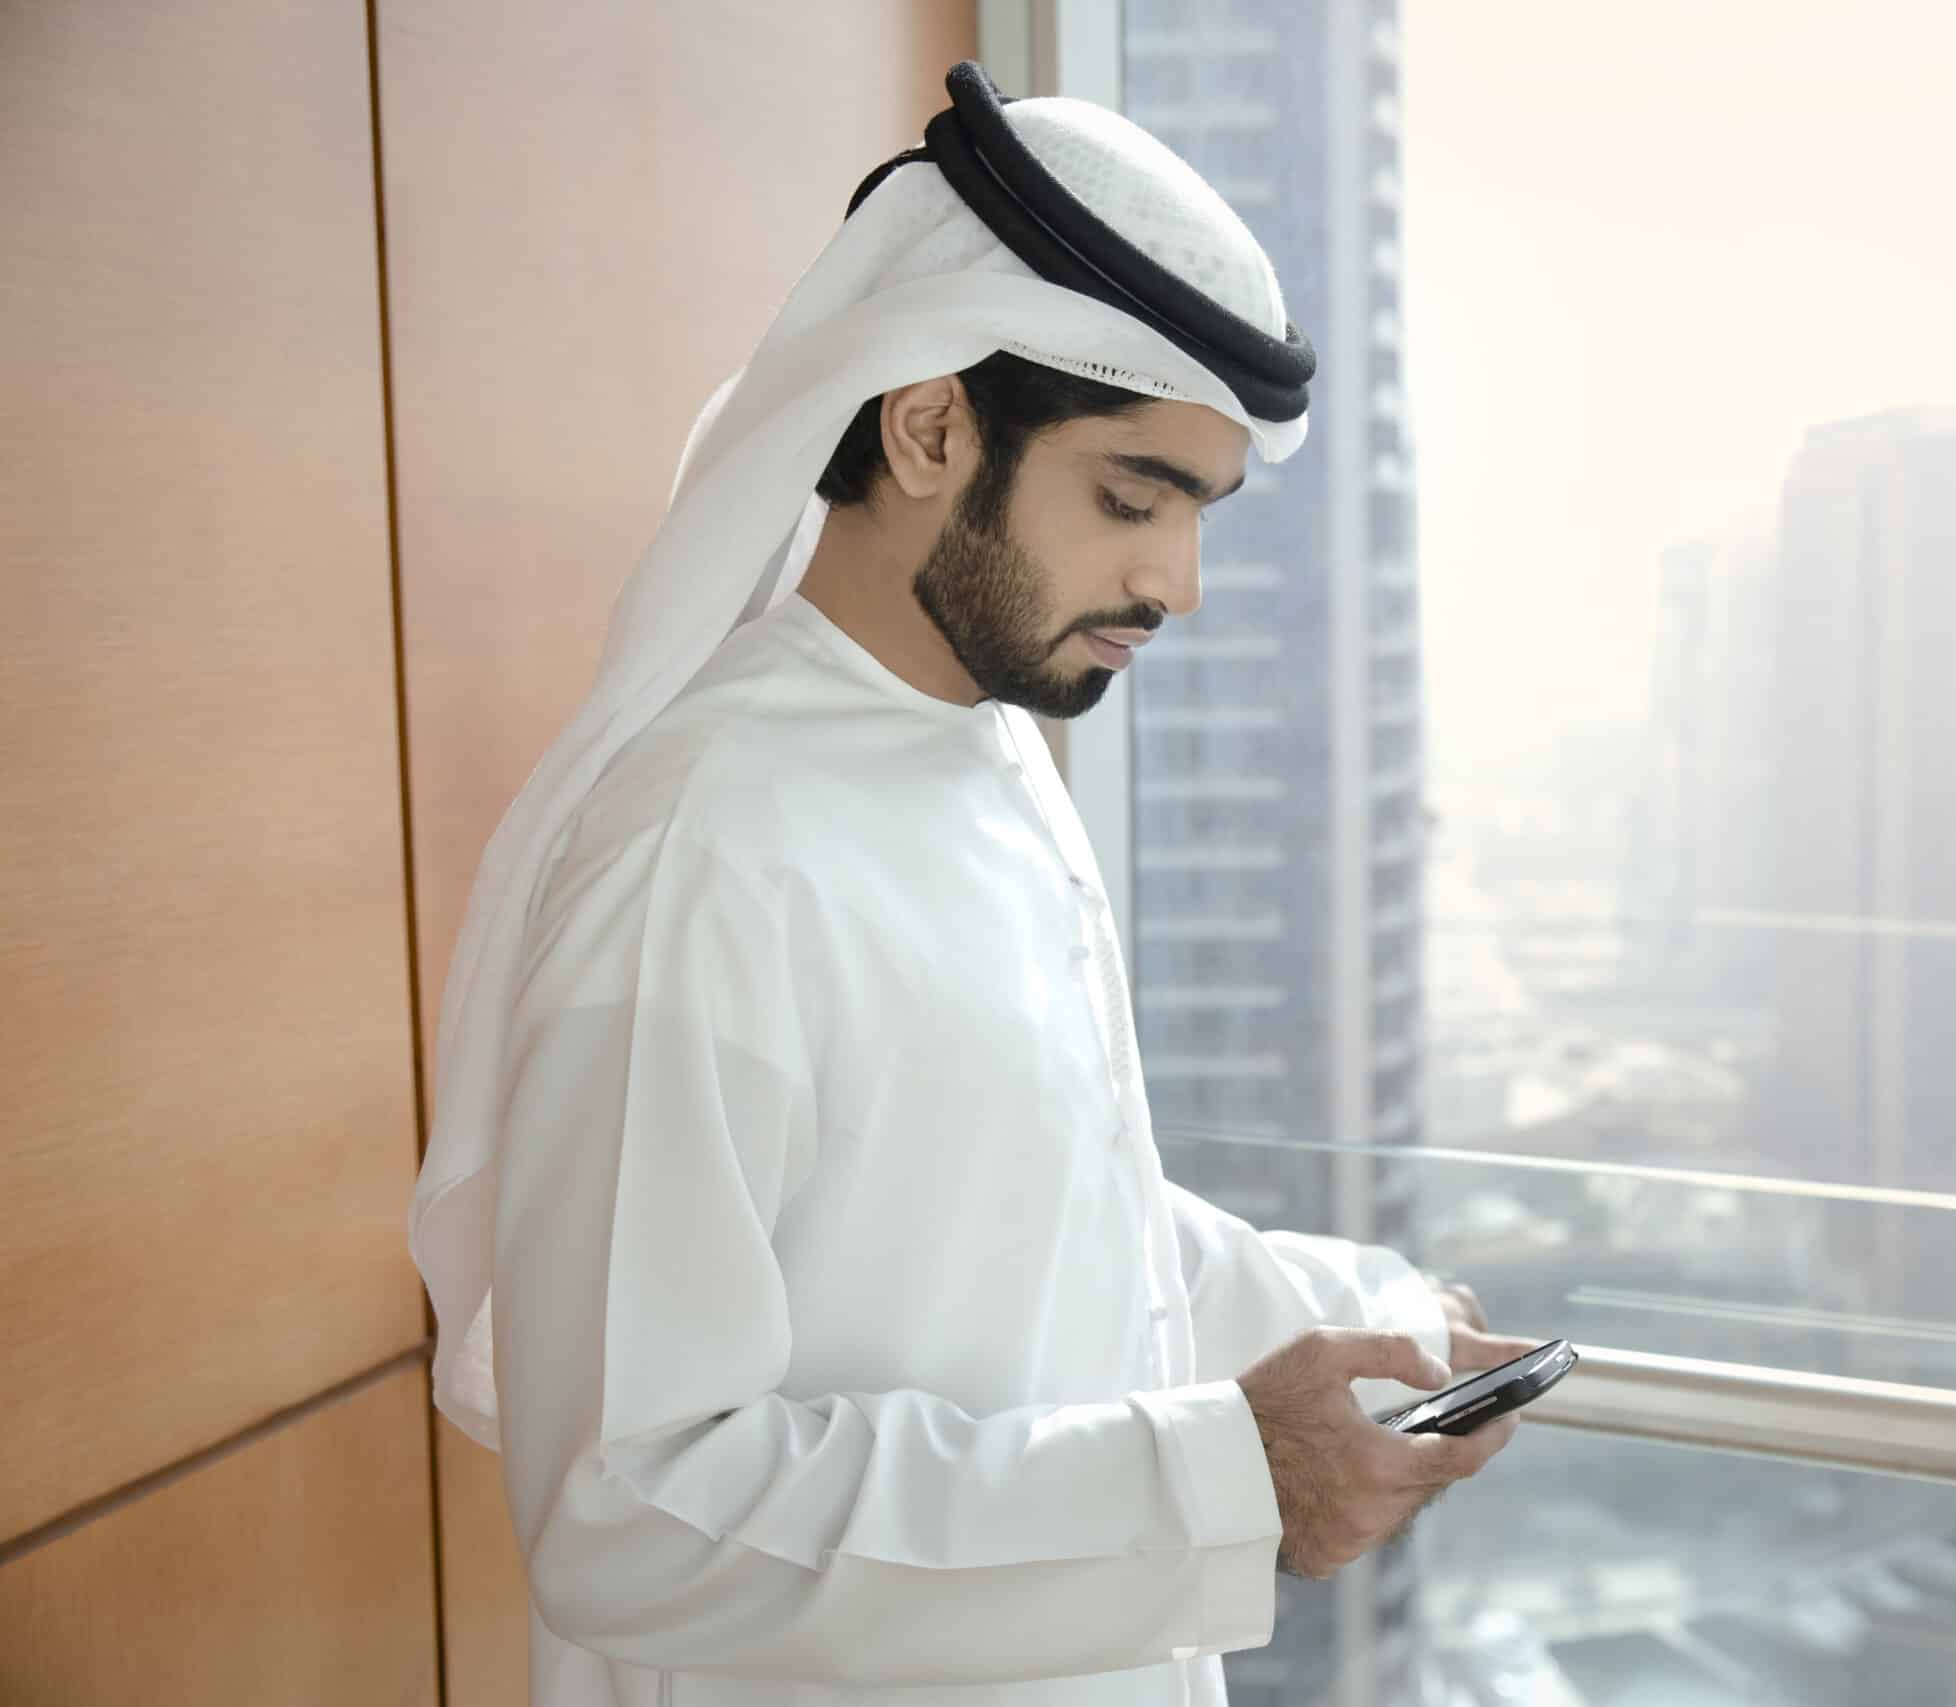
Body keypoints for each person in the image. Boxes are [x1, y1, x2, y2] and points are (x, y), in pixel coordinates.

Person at [408, 62, 1535, 1705]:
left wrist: (1364, 1319)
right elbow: (629, 1510)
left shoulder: (991, 760)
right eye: (1131, 500)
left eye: (1199, 516)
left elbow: (1037, 1212)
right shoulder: (700, 855)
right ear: (931, 425)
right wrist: (1228, 1484)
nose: (1180, 582)